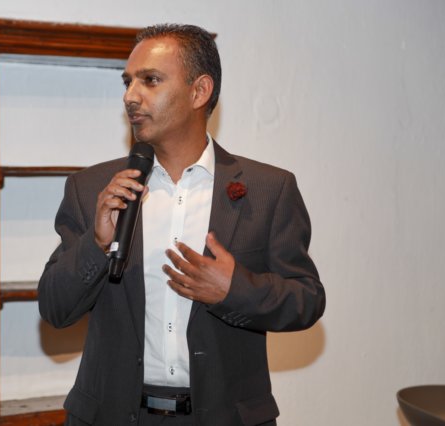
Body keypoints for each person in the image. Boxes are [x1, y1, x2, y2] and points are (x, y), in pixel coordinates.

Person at [38, 23, 325, 426]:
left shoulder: (268, 190)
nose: (130, 96)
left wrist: (234, 290)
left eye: (150, 80)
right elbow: (54, 309)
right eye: (128, 81)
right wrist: (96, 244)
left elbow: (306, 300)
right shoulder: (92, 189)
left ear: (199, 91)